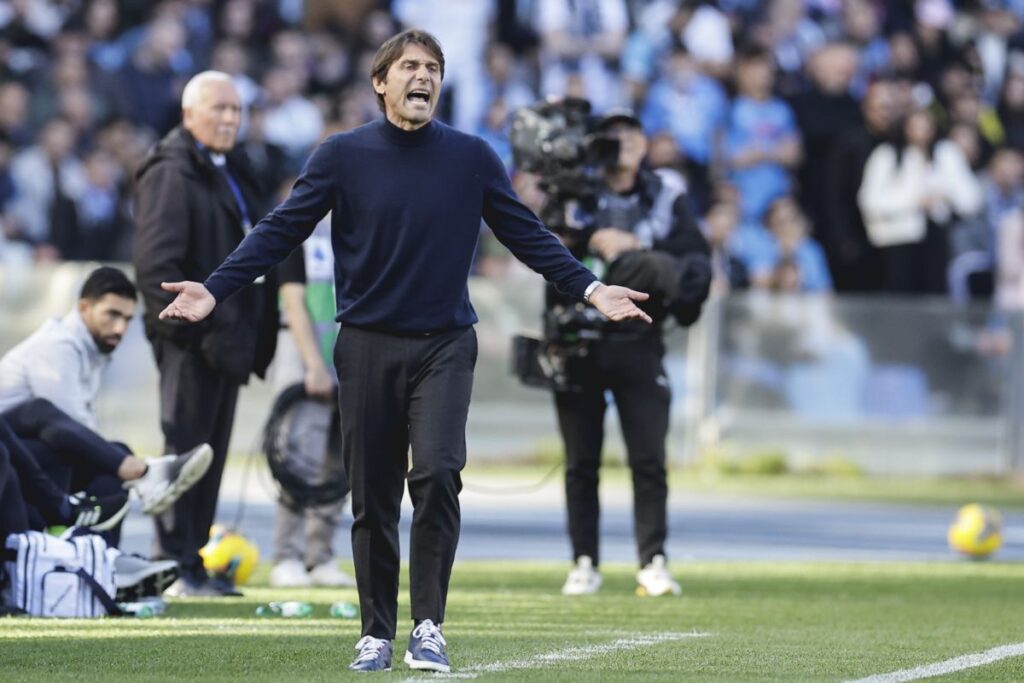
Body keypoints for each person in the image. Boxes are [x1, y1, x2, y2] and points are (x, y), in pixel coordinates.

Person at [156, 30, 651, 674]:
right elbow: (282, 228)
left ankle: (428, 627)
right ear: (381, 82)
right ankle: (375, 632)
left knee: (440, 474)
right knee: (374, 496)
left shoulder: (471, 156)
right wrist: (216, 290)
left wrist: (590, 288)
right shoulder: (341, 156)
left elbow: (527, 234)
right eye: (411, 66)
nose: (424, 77)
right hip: (364, 345)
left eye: (434, 69)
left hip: (446, 343)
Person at [540, 110, 710, 598]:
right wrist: (590, 238)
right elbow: (541, 242)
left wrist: (633, 249)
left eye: (632, 133)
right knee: (580, 460)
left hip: (639, 337)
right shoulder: (574, 193)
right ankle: (584, 560)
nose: (623, 143)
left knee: (649, 457)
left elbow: (695, 265)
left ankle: (652, 560)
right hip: (579, 338)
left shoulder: (666, 197)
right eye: (612, 136)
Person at [132, 71, 278, 598]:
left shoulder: (231, 168)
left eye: (237, 110)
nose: (229, 119)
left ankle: (191, 562)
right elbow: (153, 267)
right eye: (218, 109)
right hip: (191, 342)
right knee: (184, 451)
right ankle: (171, 563)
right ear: (188, 113)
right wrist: (191, 333)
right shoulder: (171, 170)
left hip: (226, 341)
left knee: (208, 456)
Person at [0, 266, 214, 548]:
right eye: (112, 315)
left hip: (32, 455)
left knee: (111, 468)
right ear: (84, 307)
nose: (120, 328)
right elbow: (67, 427)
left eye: (127, 319)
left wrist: (114, 458)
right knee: (73, 444)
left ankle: (103, 561)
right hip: (13, 455)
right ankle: (145, 474)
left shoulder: (91, 351)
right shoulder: (57, 347)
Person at [267, 197, 354, 589]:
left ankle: (320, 555)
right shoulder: (296, 231)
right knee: (299, 460)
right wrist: (314, 365)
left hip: (351, 360)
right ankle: (287, 554)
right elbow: (293, 301)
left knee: (340, 465)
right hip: (304, 358)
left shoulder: (357, 232)